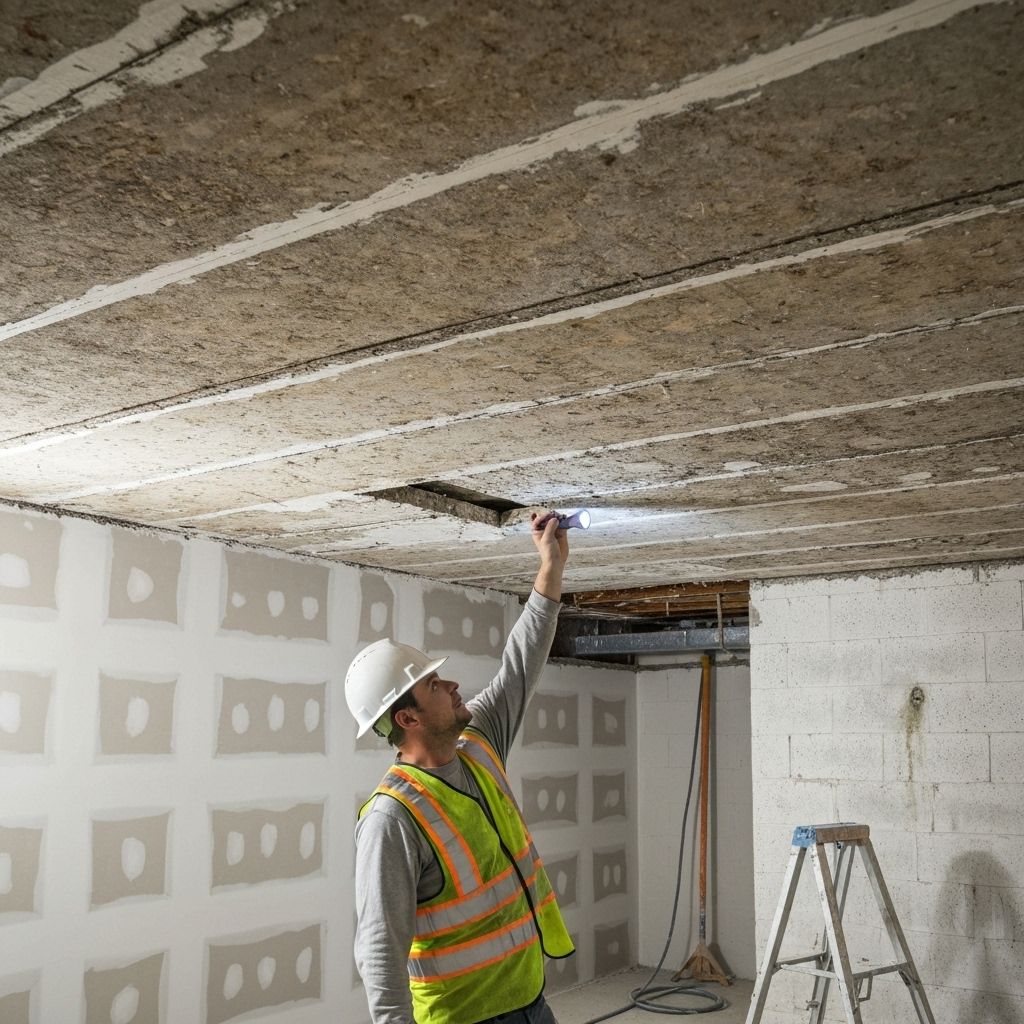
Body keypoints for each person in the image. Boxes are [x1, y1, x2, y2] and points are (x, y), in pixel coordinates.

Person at [346, 512, 575, 1024]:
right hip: (463, 1018)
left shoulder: (478, 744)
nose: (452, 687)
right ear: (408, 718)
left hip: (530, 1000)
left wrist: (550, 568)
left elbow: (521, 662)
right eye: (434, 686)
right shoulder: (393, 819)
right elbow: (380, 950)